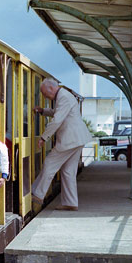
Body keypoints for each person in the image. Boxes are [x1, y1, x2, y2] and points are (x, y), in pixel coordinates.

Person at [31, 78, 92, 211]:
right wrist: (43, 111)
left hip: (70, 139)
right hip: (77, 139)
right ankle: (70, 202)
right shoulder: (64, 96)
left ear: (51, 88)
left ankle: (37, 194)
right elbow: (58, 113)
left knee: (49, 163)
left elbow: (57, 119)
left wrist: (44, 137)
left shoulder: (63, 96)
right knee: (68, 171)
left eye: (44, 93)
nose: (44, 96)